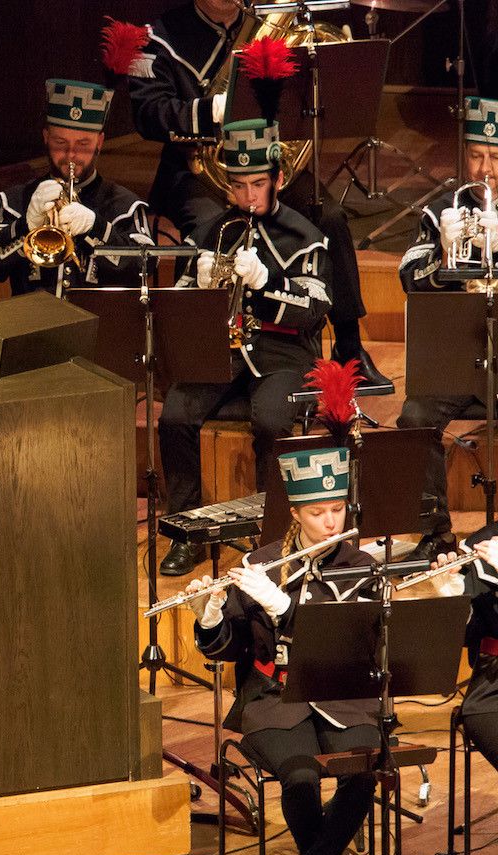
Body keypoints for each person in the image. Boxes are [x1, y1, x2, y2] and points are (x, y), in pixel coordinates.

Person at [126, 0, 390, 388]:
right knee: (208, 228)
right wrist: (211, 110)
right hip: (197, 170)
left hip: (263, 167)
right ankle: (196, 355)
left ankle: (349, 346)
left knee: (330, 216)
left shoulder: (265, 22)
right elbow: (148, 113)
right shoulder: (158, 38)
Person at [185, 447, 378, 855]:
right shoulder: (260, 564)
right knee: (300, 777)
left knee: (363, 772)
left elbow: (347, 645)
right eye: (318, 512)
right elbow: (232, 649)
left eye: (337, 509)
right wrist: (209, 618)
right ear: (295, 513)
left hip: (340, 694)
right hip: (274, 697)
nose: (331, 522)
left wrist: (284, 607)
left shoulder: (361, 568)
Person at [159, 119, 331, 576]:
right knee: (174, 415)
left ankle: (271, 534)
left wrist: (268, 281)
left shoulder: (305, 236)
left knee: (271, 420)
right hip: (221, 350)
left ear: (278, 179)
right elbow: (177, 308)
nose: (249, 196)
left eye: (258, 184)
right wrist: (197, 291)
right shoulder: (210, 232)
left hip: (282, 354)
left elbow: (314, 311)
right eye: (239, 185)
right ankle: (185, 533)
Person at [397, 94, 498, 560]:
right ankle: (434, 533)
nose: (485, 170)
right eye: (476, 156)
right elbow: (407, 277)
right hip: (460, 358)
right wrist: (443, 254)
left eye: (495, 157)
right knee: (415, 416)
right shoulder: (443, 209)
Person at [0, 78, 153, 296]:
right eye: (60, 142)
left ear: (99, 142)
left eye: (83, 144)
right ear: (46, 138)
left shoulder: (125, 205)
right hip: (32, 317)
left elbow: (145, 268)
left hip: (96, 317)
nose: (71, 155)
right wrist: (26, 226)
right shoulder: (14, 200)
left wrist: (95, 227)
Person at [429, 523, 498, 776]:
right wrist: (454, 597)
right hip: (492, 686)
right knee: (481, 718)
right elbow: (474, 633)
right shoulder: (483, 544)